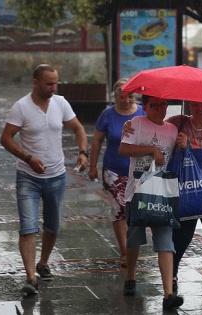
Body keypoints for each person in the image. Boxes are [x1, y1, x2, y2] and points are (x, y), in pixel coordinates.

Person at [123, 100, 202, 309]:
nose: (200, 109)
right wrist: (129, 126)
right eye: (195, 105)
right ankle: (171, 278)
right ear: (190, 105)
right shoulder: (178, 122)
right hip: (184, 190)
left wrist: (191, 146)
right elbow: (155, 126)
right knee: (180, 238)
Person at [0, 64, 88, 295]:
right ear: (35, 82)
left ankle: (43, 263)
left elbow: (78, 129)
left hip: (57, 176)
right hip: (28, 177)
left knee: (53, 225)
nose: (53, 87)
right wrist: (28, 158)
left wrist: (83, 152)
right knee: (28, 227)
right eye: (49, 83)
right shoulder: (21, 107)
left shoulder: (60, 103)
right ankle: (31, 278)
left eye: (55, 83)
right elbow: (6, 138)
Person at [119, 95, 183, 310]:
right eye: (154, 105)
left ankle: (168, 294)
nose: (159, 109)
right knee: (135, 237)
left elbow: (175, 158)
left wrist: (184, 145)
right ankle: (130, 276)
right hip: (137, 192)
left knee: (165, 240)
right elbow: (124, 150)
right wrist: (151, 150)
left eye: (163, 104)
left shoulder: (173, 129)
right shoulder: (136, 124)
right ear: (144, 107)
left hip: (162, 193)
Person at [88, 78, 145, 268]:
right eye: (122, 97)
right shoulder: (107, 115)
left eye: (131, 96)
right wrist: (92, 165)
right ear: (115, 97)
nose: (127, 100)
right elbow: (96, 141)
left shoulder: (143, 113)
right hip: (113, 170)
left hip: (138, 170)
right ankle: (124, 251)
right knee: (119, 209)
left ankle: (133, 246)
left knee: (135, 211)